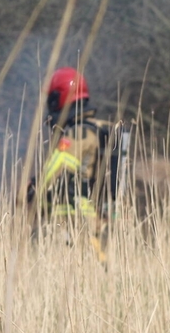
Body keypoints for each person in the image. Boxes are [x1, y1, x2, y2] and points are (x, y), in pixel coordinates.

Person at [28, 67, 128, 263]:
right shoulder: (99, 129)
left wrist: (31, 187)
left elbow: (54, 171)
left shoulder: (77, 134)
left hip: (72, 223)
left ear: (60, 99)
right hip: (93, 220)